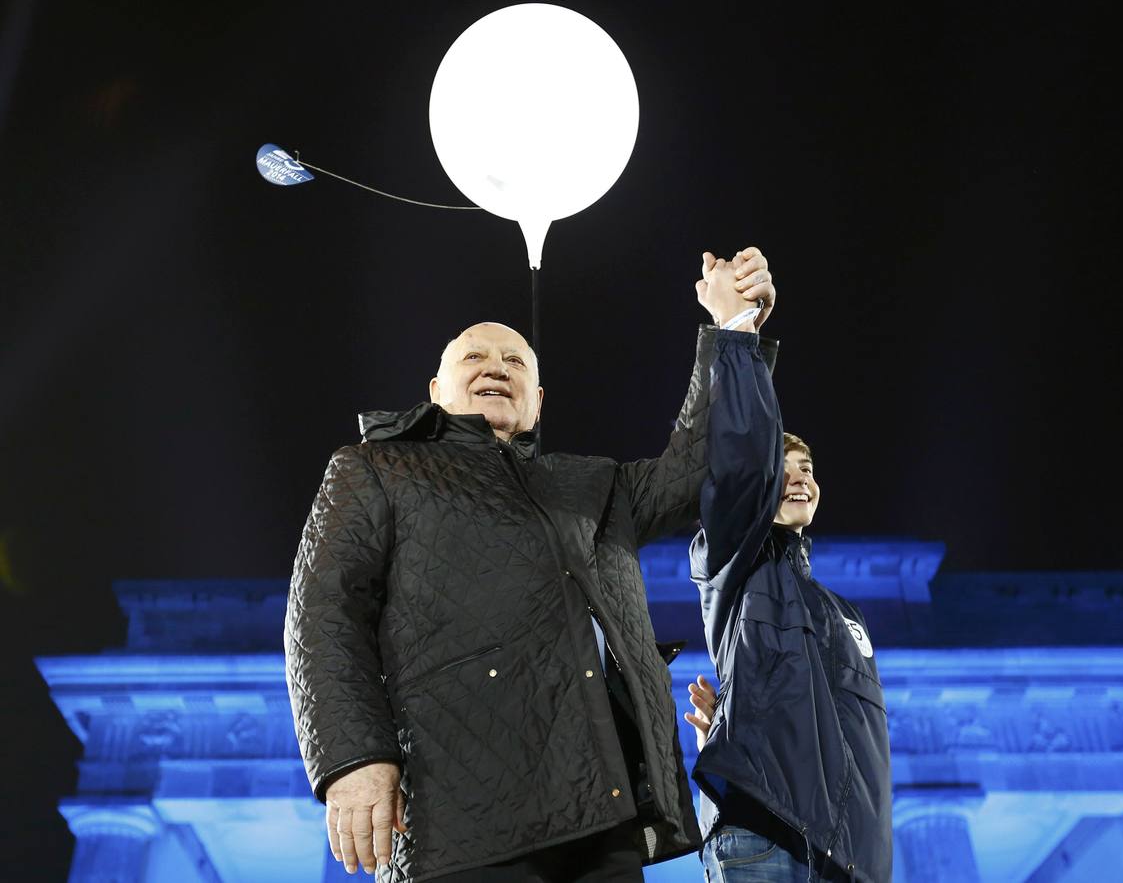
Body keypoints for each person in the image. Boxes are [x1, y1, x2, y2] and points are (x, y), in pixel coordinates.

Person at [283, 247, 778, 881]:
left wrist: (732, 331)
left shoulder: (597, 486)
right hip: (459, 814)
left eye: (515, 360)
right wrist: (352, 759)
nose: (497, 367)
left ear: (537, 402)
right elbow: (323, 613)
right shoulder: (375, 468)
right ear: (436, 391)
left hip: (602, 814)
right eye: (475, 357)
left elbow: (702, 465)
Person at [679, 282, 893, 883]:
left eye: (808, 470)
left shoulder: (842, 612)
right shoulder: (735, 564)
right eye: (785, 470)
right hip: (764, 832)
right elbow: (742, 468)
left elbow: (848, 740)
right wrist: (738, 334)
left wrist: (737, 721)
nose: (797, 479)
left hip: (842, 853)